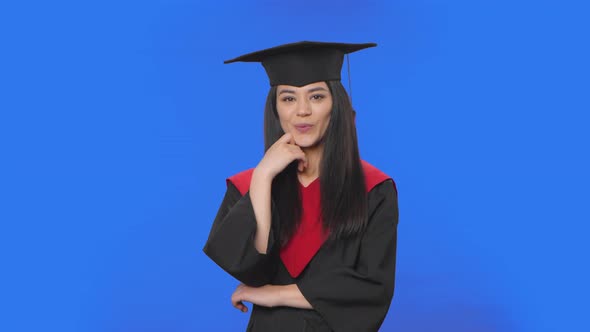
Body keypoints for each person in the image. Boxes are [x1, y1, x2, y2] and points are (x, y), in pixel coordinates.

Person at [203, 41, 399, 332]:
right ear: (276, 109)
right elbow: (252, 271)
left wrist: (276, 294)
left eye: (317, 96)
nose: (302, 111)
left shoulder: (374, 189)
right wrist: (262, 178)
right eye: (289, 98)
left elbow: (371, 289)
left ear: (336, 106)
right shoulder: (248, 185)